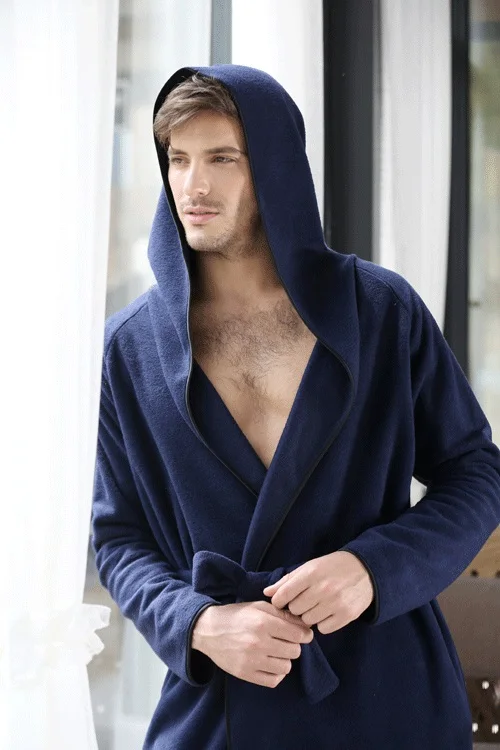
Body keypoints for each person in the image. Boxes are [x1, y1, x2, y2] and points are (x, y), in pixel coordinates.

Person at [91, 64, 500, 750]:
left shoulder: (381, 312)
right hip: (221, 702)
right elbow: (117, 535)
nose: (193, 184)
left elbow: (476, 472)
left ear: (276, 167)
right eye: (178, 159)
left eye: (222, 158)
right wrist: (195, 622)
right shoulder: (128, 348)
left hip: (387, 697)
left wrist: (373, 568)